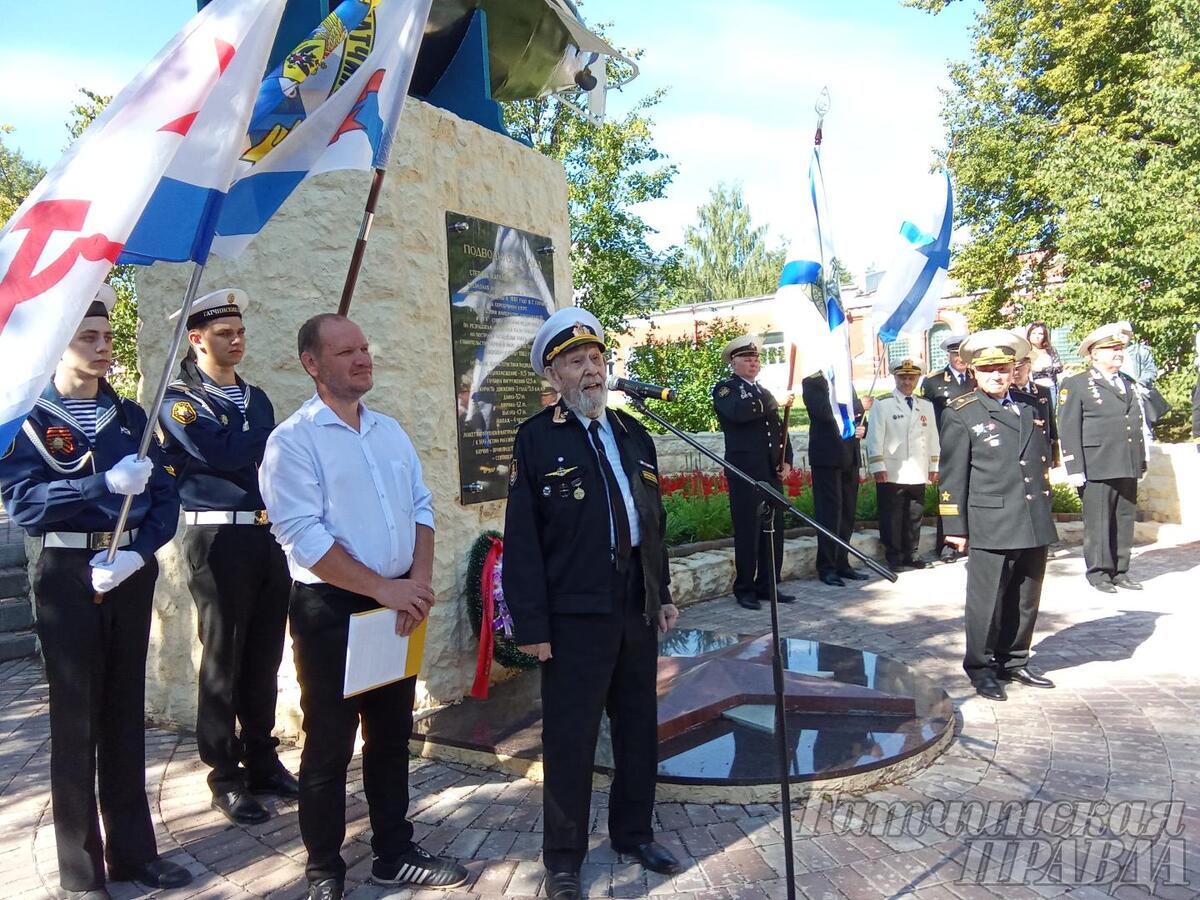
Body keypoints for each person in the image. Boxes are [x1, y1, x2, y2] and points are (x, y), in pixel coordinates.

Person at [258, 314, 467, 900]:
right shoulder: (292, 442)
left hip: (398, 604)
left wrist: (416, 583)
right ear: (313, 364)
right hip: (333, 610)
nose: (362, 358)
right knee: (329, 743)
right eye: (346, 351)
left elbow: (422, 508)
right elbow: (301, 536)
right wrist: (385, 588)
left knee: (392, 736)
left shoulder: (389, 433)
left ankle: (393, 853)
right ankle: (324, 868)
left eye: (365, 348)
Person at [0, 286, 190, 899]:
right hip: (63, 572)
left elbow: (164, 500)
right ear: (61, 342)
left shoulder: (132, 417)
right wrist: (98, 484)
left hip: (126, 571)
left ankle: (135, 853)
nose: (105, 348)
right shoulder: (28, 419)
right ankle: (81, 870)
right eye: (90, 337)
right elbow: (24, 504)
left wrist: (139, 551)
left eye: (108, 337)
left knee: (124, 710)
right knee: (76, 719)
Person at [503, 308, 682, 900]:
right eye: (576, 362)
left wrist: (661, 592)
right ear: (552, 376)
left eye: (597, 359)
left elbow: (652, 522)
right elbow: (523, 542)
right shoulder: (536, 439)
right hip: (575, 611)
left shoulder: (633, 433)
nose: (591, 370)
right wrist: (531, 625)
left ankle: (633, 832)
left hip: (634, 601)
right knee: (570, 736)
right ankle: (563, 859)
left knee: (637, 727)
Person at [157, 289, 297, 826]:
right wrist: (257, 441)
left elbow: (265, 456)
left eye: (240, 332)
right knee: (223, 658)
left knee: (263, 654)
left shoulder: (256, 397)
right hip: (217, 541)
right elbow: (227, 454)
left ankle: (262, 760)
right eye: (223, 334)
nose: (236, 341)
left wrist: (252, 439)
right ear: (197, 339)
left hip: (265, 536)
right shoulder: (179, 400)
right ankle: (225, 772)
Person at [937, 329, 1058, 702]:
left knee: (1026, 596)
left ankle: (1014, 659)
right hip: (991, 519)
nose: (997, 375)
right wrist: (954, 526)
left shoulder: (1031, 405)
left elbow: (1040, 460)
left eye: (1003, 368)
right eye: (988, 369)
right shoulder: (961, 413)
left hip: (1032, 514)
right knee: (986, 599)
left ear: (1013, 368)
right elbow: (952, 475)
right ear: (974, 372)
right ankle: (981, 666)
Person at [1058, 323, 1147, 594]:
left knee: (1124, 518)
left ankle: (1120, 570)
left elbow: (1136, 424)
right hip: (1096, 464)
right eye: (1111, 349)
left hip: (1125, 462)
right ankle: (1098, 573)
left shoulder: (1128, 383)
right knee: (1099, 522)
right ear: (1094, 354)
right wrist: (1074, 467)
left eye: (1120, 349)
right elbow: (1068, 426)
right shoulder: (1076, 383)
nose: (1118, 354)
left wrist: (1141, 459)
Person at [711, 334, 795, 609]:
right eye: (746, 358)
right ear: (733, 362)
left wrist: (787, 459)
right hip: (745, 472)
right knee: (748, 529)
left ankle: (769, 583)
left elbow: (779, 429)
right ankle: (745, 587)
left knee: (773, 529)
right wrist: (773, 402)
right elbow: (738, 413)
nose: (753, 362)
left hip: (770, 470)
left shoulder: (764, 392)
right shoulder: (726, 390)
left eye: (756, 357)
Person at [864, 359, 939, 571]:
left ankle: (911, 553)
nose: (907, 382)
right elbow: (875, 436)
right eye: (903, 377)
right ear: (895, 378)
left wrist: (934, 466)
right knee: (892, 516)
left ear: (917, 379)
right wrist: (878, 465)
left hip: (917, 469)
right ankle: (894, 556)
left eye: (911, 378)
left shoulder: (925, 405)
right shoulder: (883, 403)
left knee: (914, 514)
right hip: (893, 470)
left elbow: (933, 436)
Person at [802, 371, 868, 586]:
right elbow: (821, 412)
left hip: (849, 455)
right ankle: (827, 566)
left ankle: (842, 562)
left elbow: (856, 416)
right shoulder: (812, 382)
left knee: (847, 513)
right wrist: (857, 408)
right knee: (830, 514)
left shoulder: (844, 381)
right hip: (827, 457)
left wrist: (860, 428)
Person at [922, 333, 975, 562]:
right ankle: (948, 543)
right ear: (948, 355)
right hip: (948, 444)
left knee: (975, 492)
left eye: (963, 354)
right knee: (951, 493)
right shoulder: (933, 382)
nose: (959, 359)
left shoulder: (977, 378)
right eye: (955, 354)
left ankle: (974, 540)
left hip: (976, 442)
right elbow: (927, 417)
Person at [1010, 343, 1060, 466]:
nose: (1015, 373)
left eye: (1018, 368)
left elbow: (1050, 424)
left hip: (1042, 449)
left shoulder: (1042, 391)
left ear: (1029, 367)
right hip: (1021, 452)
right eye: (1012, 369)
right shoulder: (1008, 394)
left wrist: (1055, 455)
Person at [1026, 321, 1064, 403]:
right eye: (1034, 333)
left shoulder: (1050, 350)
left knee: (1051, 413)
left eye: (1040, 334)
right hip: (1033, 388)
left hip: (1050, 386)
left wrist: (1043, 369)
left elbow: (1059, 368)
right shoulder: (1026, 352)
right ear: (1029, 335)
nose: (1037, 336)